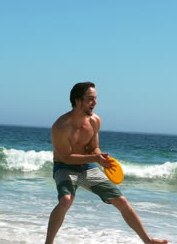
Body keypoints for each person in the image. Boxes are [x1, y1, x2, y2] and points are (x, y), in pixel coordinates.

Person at [45, 82, 168, 244]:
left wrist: (100, 157)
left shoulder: (94, 121)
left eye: (95, 99)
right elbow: (67, 157)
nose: (95, 103)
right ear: (77, 100)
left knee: (121, 201)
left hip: (87, 167)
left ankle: (148, 240)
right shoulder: (61, 127)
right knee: (66, 200)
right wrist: (95, 158)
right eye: (90, 99)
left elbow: (94, 147)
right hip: (65, 167)